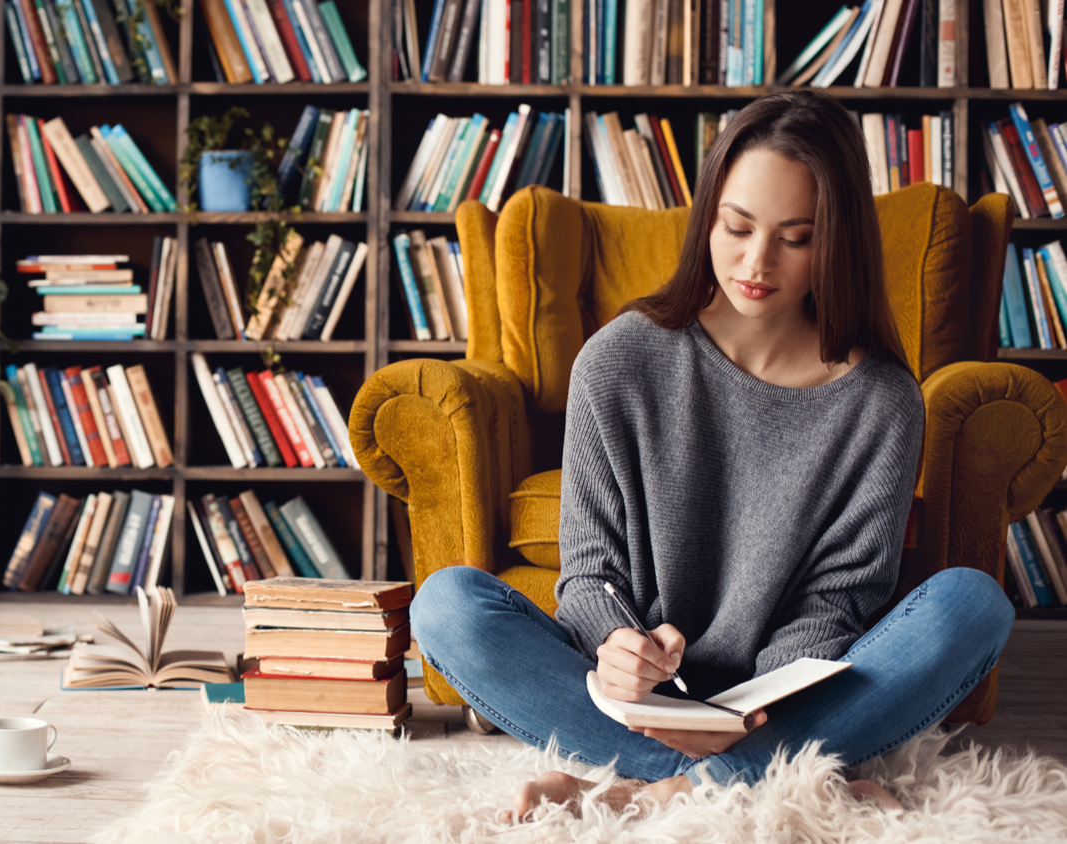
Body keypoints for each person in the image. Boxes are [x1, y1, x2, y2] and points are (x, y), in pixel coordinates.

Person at [408, 90, 1017, 819]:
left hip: (785, 698)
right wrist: (618, 646)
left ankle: (652, 792)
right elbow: (590, 568)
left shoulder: (881, 401)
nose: (756, 262)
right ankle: (787, 776)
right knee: (446, 605)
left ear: (838, 241)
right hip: (632, 699)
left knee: (973, 604)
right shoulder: (619, 360)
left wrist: (762, 703)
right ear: (708, 219)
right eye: (737, 227)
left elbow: (837, 600)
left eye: (796, 237)